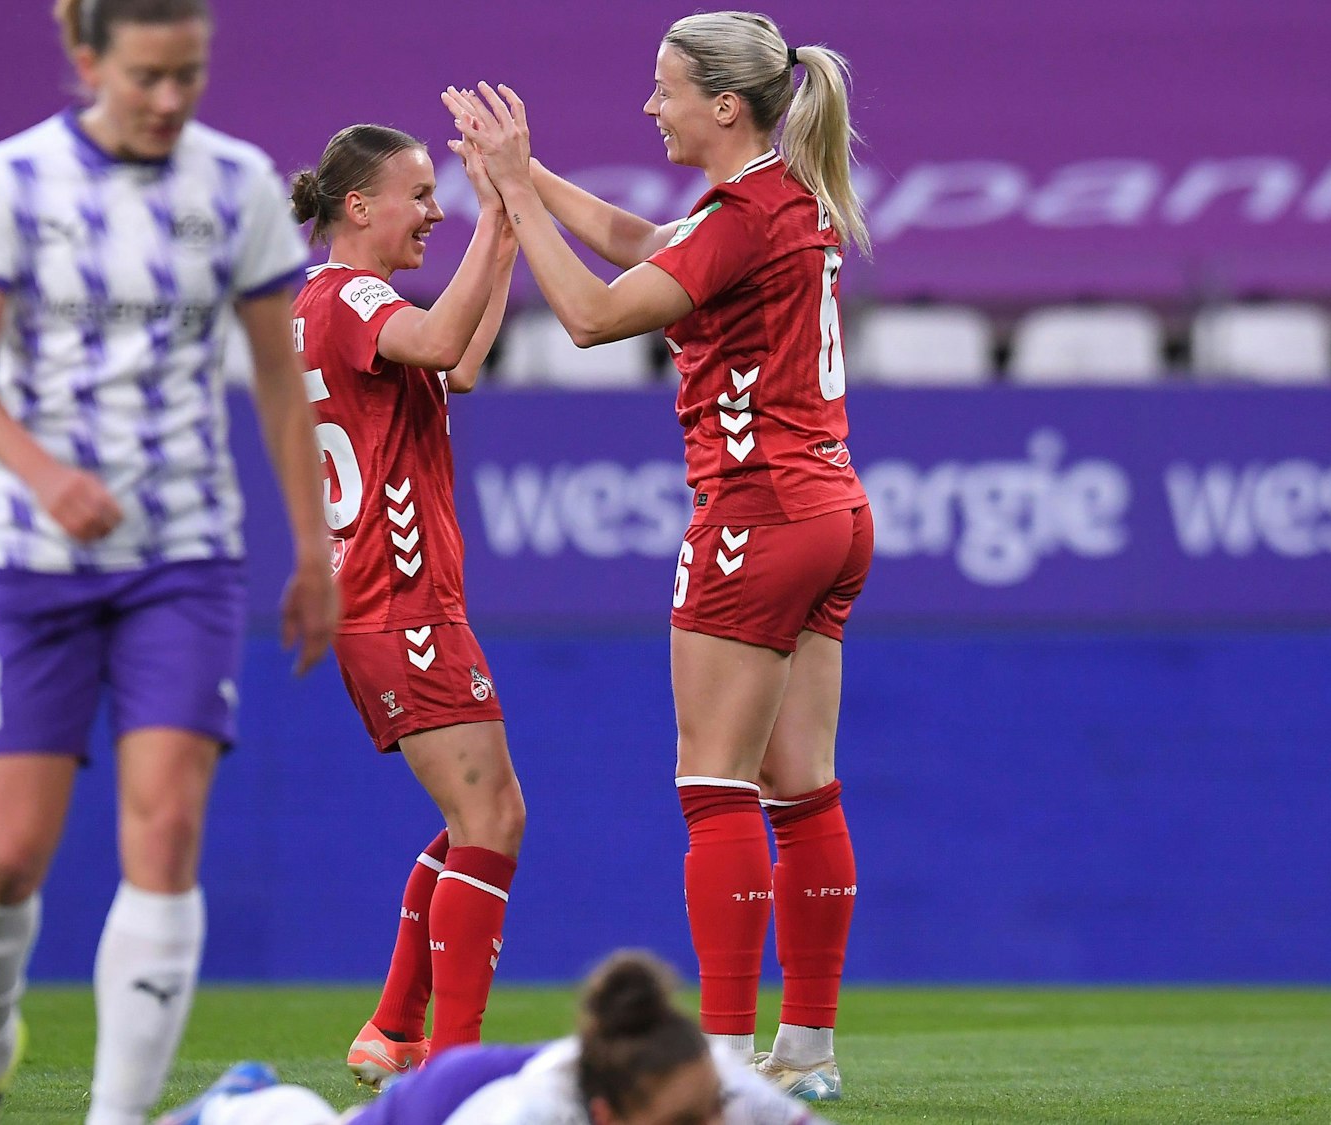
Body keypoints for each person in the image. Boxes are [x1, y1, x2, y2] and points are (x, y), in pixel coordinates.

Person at [443, 9, 872, 1103]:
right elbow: (646, 249)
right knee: (801, 788)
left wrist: (513, 199)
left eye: (663, 88)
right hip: (829, 507)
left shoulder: (739, 212)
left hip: (754, 512)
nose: (649, 107)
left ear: (721, 104)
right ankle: (807, 1050)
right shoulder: (782, 198)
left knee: (713, 785)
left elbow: (588, 316)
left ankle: (721, 1062)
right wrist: (525, 180)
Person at [0, 0, 338, 1120]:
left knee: (164, 829)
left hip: (184, 558)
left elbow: (276, 379)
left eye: (189, 76)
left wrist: (312, 546)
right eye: (148, 76)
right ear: (87, 58)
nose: (168, 101)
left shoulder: (240, 183)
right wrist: (44, 473)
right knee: (6, 863)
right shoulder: (10, 179)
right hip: (29, 558)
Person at [288, 124, 523, 1085]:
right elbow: (437, 338)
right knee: (491, 819)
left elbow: (456, 364)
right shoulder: (355, 295)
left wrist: (502, 230)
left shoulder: (321, 305)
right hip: (402, 597)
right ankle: (453, 1070)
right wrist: (496, 219)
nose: (434, 211)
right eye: (419, 194)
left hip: (384, 601)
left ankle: (396, 1031)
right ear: (357, 206)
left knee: (480, 818)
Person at [152, 950, 831, 1125]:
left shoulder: (721, 1089)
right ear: (606, 1117)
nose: (716, 1122)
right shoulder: (521, 1115)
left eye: (713, 1105)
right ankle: (243, 1102)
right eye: (686, 1121)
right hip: (442, 1103)